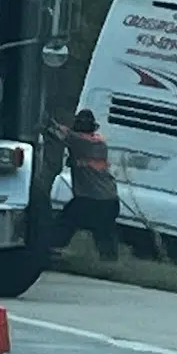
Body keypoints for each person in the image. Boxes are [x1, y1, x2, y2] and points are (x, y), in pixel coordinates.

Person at [48, 108, 121, 261]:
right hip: (110, 199)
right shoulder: (99, 141)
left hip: (90, 199)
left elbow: (57, 132)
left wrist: (47, 120)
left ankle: (50, 250)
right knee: (104, 233)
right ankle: (110, 262)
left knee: (65, 223)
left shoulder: (80, 141)